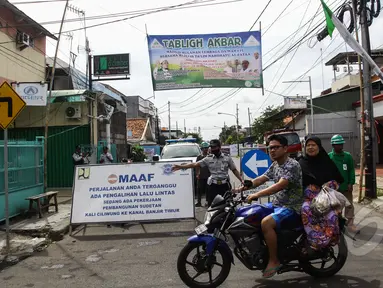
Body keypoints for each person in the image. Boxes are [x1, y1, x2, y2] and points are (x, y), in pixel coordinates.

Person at [244, 134, 303, 278]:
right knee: (251, 214)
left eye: (276, 147)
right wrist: (246, 186)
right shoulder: (275, 164)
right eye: (270, 148)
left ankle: (274, 260)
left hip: (292, 207)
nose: (272, 150)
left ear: (285, 148)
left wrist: (256, 195)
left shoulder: (292, 165)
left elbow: (279, 185)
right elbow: (262, 178)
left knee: (266, 223)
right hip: (278, 204)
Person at [299, 136, 344, 251]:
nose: (310, 147)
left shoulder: (327, 162)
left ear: (319, 147)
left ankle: (329, 240)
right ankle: (314, 240)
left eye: (313, 145)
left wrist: (329, 185)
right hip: (309, 201)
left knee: (333, 216)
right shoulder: (301, 162)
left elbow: (338, 180)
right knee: (305, 210)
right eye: (308, 145)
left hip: (326, 201)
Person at [172, 139, 243, 206]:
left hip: (225, 186)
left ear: (219, 147)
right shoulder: (208, 158)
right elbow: (195, 164)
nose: (213, 149)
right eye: (212, 147)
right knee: (211, 206)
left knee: (227, 205)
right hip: (213, 186)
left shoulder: (227, 158)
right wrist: (181, 167)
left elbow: (234, 170)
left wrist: (241, 180)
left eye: (215, 147)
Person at [328, 134, 357, 232]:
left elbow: (351, 170)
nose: (340, 146)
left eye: (341, 144)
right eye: (338, 144)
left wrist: (351, 182)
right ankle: (338, 222)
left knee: (349, 204)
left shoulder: (347, 156)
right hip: (334, 188)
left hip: (346, 186)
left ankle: (350, 223)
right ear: (333, 145)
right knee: (336, 206)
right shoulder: (330, 157)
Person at [195, 142, 211, 207]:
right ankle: (199, 202)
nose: (205, 149)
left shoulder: (210, 156)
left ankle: (207, 202)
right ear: (202, 149)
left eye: (206, 148)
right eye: (204, 148)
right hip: (201, 176)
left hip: (208, 176)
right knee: (199, 190)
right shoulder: (199, 157)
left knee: (208, 190)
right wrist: (197, 174)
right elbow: (197, 166)